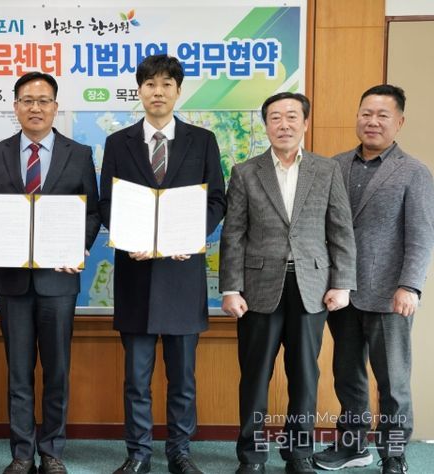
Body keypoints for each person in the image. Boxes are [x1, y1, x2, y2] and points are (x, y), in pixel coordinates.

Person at [99, 54, 226, 474]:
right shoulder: (118, 143)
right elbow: (107, 202)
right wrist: (128, 236)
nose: (158, 92)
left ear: (178, 90)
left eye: (166, 84)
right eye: (150, 84)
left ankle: (180, 452)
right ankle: (138, 453)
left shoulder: (201, 140)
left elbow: (216, 199)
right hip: (135, 274)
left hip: (182, 274)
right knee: (136, 379)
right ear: (139, 91)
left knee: (182, 378)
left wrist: (191, 235)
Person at [219, 92, 356, 474]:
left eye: (292, 116)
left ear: (305, 123)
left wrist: (343, 283)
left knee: (305, 376)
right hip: (257, 290)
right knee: (255, 377)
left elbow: (341, 231)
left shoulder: (327, 170)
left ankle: (299, 454)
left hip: (312, 289)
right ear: (266, 125)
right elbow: (234, 234)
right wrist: (231, 288)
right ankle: (252, 456)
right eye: (276, 117)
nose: (284, 124)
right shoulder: (245, 172)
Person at [0, 72, 100, 474]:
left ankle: (51, 451)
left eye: (43, 100)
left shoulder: (78, 153)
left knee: (56, 370)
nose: (35, 107)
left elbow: (92, 211)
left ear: (55, 107)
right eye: (27, 101)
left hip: (58, 280)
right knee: (18, 371)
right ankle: (21, 453)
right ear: (15, 107)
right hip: (12, 281)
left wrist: (79, 246)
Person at [312, 85, 434, 474]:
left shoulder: (414, 172)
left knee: (393, 383)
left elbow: (422, 235)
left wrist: (410, 286)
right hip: (342, 292)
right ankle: (353, 446)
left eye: (383, 115)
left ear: (399, 122)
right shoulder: (334, 166)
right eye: (366, 113)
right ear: (357, 117)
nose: (373, 121)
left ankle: (393, 454)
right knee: (347, 376)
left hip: (389, 294)